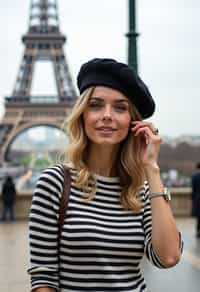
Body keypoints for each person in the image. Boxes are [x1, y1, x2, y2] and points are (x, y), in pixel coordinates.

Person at [28, 58, 183, 292]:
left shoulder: (141, 189)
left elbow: (168, 257)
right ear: (82, 115)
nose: (107, 115)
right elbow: (43, 277)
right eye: (96, 105)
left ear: (133, 122)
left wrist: (152, 167)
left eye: (120, 107)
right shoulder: (54, 183)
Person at [191, 162, 200, 238]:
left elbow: (193, 189)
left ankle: (198, 231)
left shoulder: (195, 176)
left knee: (198, 217)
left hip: (197, 198)